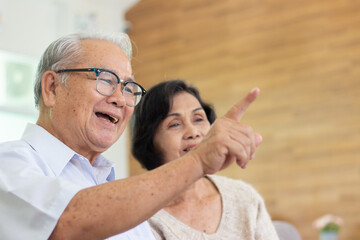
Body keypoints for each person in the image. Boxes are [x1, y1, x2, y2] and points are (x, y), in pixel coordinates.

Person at [0, 32, 262, 240]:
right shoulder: (9, 165)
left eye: (128, 87)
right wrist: (199, 161)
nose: (119, 99)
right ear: (52, 87)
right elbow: (68, 220)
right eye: (105, 79)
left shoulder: (108, 186)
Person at [131, 79, 279, 240]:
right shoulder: (141, 221)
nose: (193, 132)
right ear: (150, 141)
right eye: (174, 124)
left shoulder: (245, 198)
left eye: (199, 119)